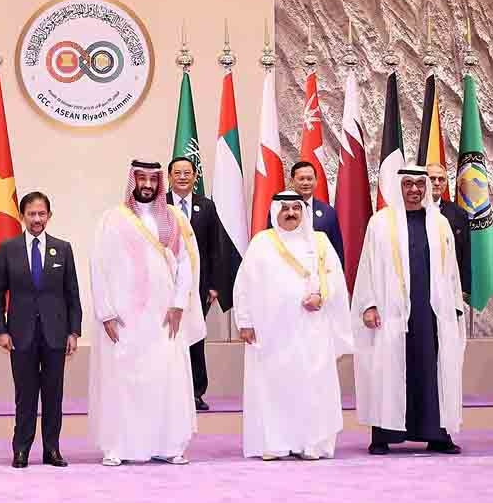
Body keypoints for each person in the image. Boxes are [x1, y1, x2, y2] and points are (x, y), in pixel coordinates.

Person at [89, 160, 205, 467]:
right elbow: (97, 267)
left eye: (152, 180)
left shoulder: (174, 218)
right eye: (141, 179)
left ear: (159, 183)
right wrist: (106, 313)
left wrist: (180, 303)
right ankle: (118, 446)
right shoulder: (111, 220)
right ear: (133, 181)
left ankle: (167, 445)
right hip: (124, 319)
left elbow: (186, 265)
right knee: (123, 380)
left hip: (164, 317)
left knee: (165, 379)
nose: (147, 185)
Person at [353, 165, 465, 455]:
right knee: (389, 368)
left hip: (431, 314)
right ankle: (384, 435)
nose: (414, 190)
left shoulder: (439, 223)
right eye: (408, 184)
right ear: (397, 186)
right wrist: (369, 304)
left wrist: (453, 304)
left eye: (419, 184)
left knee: (434, 368)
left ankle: (438, 434)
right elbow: (366, 265)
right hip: (391, 312)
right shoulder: (380, 223)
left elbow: (451, 269)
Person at [235, 191, 353, 460]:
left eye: (296, 208)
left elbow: (335, 279)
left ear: (303, 211)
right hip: (271, 333)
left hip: (312, 330)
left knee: (312, 385)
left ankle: (311, 443)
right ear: (275, 211)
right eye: (285, 208)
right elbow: (243, 285)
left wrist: (322, 296)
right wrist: (245, 321)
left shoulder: (319, 242)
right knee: (274, 386)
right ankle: (275, 442)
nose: (290, 213)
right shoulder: (261, 243)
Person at [0, 191, 81, 468]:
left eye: (42, 214)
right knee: (25, 395)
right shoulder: (8, 248)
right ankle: (21, 450)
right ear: (22, 216)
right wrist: (1, 330)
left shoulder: (62, 248)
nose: (37, 219)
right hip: (20, 335)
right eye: (32, 214)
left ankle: (52, 450)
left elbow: (72, 294)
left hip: (55, 334)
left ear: (49, 216)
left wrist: (73, 332)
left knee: (53, 395)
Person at [165, 156, 228, 411]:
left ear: (195, 177)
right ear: (169, 177)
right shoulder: (161, 205)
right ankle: (168, 393)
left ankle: (196, 393)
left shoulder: (207, 206)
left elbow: (216, 248)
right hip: (166, 286)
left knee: (195, 337)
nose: (182, 177)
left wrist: (213, 285)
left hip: (198, 287)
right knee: (167, 340)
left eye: (187, 173)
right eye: (177, 173)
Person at [270, 161, 345, 267]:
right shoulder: (279, 211)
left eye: (309, 179)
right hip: (287, 271)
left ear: (316, 181)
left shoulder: (328, 212)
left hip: (320, 275)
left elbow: (337, 251)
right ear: (292, 181)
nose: (306, 183)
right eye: (301, 179)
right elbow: (271, 244)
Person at [426, 163, 471, 299]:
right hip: (421, 283)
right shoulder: (412, 211)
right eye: (432, 178)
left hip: (450, 286)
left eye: (441, 179)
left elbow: (465, 251)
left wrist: (465, 287)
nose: (437, 183)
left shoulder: (458, 213)